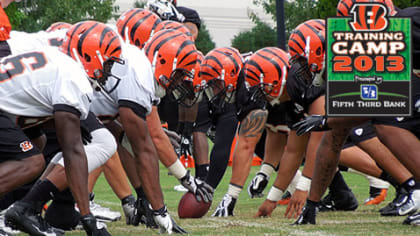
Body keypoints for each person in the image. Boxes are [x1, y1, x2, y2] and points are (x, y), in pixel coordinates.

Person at [291, 1, 420, 226]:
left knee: (388, 120)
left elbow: (381, 106)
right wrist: (311, 204)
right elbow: (333, 139)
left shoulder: (407, 24)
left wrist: (325, 119)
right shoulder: (374, 54)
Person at [2, 20, 121, 236]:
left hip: (7, 109)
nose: (108, 71)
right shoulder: (73, 77)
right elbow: (73, 151)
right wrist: (87, 218)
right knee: (30, 161)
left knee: (38, 143)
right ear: (89, 56)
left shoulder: (57, 61)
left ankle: (25, 210)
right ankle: (21, 210)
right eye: (108, 63)